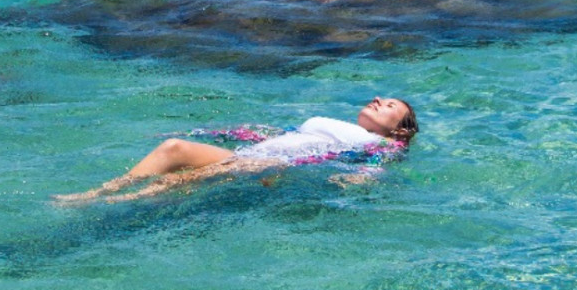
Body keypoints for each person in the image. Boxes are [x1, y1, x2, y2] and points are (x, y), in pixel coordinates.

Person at [53, 97, 418, 205]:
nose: (377, 100)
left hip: (272, 166)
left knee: (184, 179)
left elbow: (378, 166)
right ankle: (100, 194)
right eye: (379, 98)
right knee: (173, 147)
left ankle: (108, 204)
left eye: (388, 106)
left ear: (399, 129)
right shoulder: (344, 126)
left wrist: (356, 179)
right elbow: (268, 132)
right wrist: (210, 133)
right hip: (253, 155)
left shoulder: (381, 143)